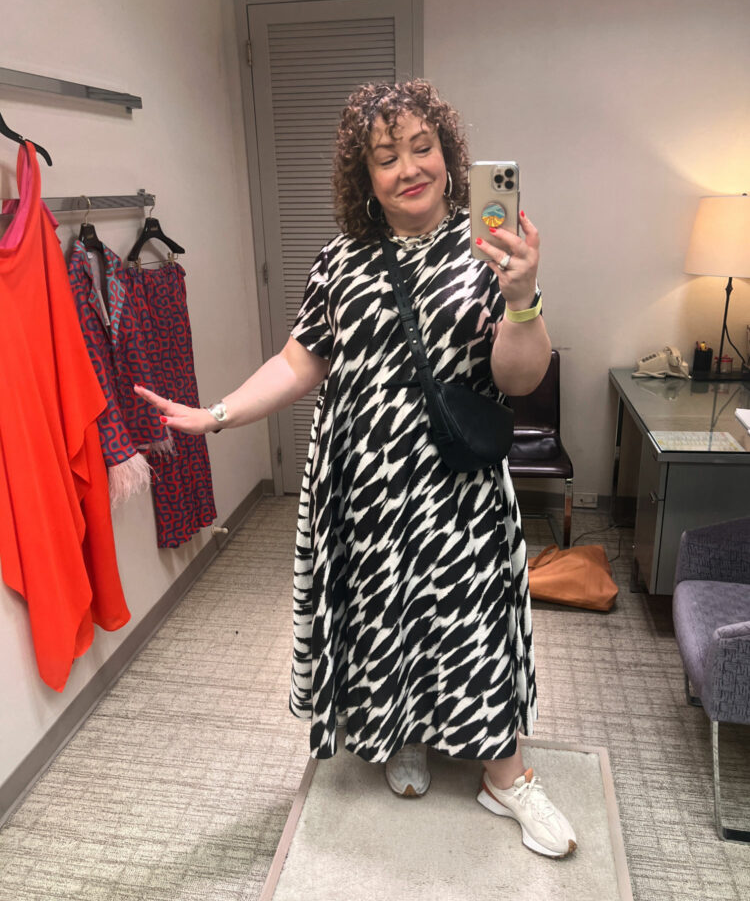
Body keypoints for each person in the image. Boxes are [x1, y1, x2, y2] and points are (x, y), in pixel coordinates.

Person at [135, 79, 577, 859]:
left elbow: (518, 379)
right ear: (363, 176)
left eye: (421, 148)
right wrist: (219, 415)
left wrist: (523, 296)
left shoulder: (491, 250)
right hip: (365, 483)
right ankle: (400, 731)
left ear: (448, 155)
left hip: (459, 487)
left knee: (474, 620)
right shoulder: (340, 262)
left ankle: (505, 775)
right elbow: (298, 363)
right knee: (382, 614)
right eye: (385, 156)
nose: (408, 168)